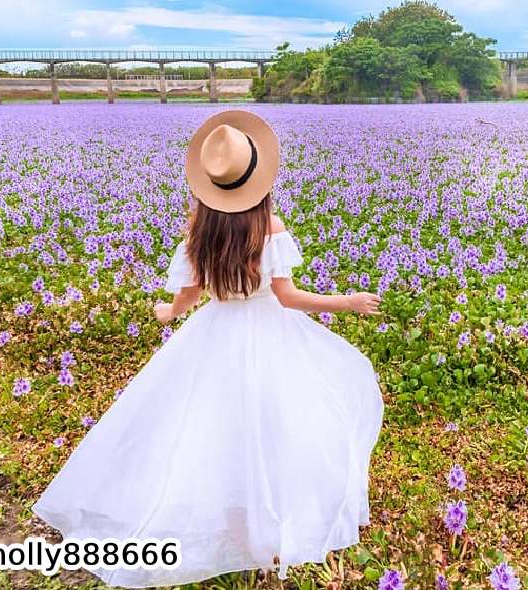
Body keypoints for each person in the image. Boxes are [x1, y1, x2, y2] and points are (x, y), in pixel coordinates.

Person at [33, 110, 385, 587]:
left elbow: (189, 294)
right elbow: (287, 297)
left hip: (214, 332)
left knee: (207, 424)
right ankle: (267, 521)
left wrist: (167, 312)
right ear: (259, 179)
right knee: (281, 419)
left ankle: (226, 515)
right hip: (270, 332)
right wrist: (346, 302)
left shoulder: (199, 228)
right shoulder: (270, 227)